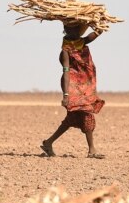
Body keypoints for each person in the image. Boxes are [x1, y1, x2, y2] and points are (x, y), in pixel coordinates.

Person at [40, 23, 105, 159]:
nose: (73, 31)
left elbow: (95, 34)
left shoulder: (81, 42)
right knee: (87, 115)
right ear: (65, 30)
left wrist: (98, 23)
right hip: (75, 88)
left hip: (86, 86)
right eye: (69, 29)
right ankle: (92, 150)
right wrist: (66, 94)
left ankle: (48, 142)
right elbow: (66, 73)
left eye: (76, 29)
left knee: (72, 119)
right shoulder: (65, 51)